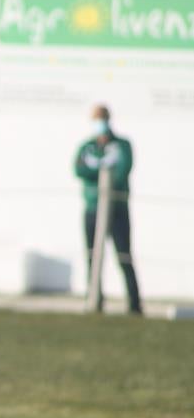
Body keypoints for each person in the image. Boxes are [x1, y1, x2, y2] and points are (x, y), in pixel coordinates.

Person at [73, 104, 141, 315]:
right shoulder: (87, 146)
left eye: (101, 119)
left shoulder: (122, 145)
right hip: (93, 208)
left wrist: (99, 172)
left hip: (117, 208)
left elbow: (121, 172)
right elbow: (79, 169)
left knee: (124, 255)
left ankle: (134, 304)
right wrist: (103, 171)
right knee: (92, 256)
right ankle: (94, 300)